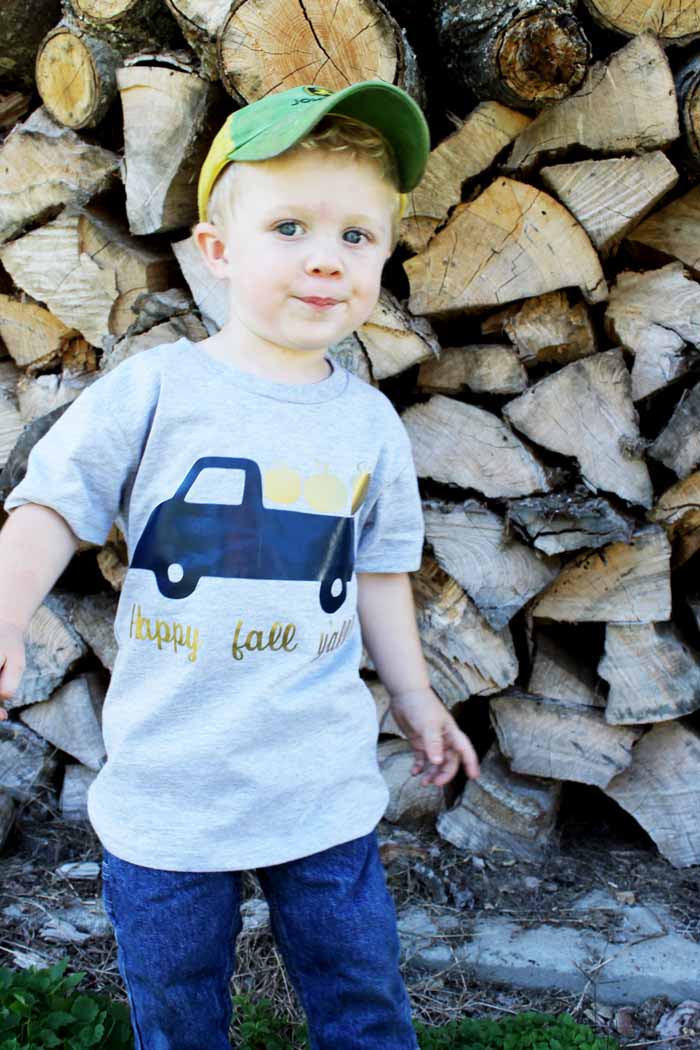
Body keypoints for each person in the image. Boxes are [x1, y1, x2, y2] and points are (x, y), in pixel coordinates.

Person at [0, 80, 479, 1049]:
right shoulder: (159, 389)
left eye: (355, 237)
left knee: (363, 1003)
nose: (324, 260)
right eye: (291, 225)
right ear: (217, 253)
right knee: (177, 1017)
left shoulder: (368, 422)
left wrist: (416, 698)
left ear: (383, 258)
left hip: (321, 788)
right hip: (167, 794)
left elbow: (377, 570)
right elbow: (54, 496)